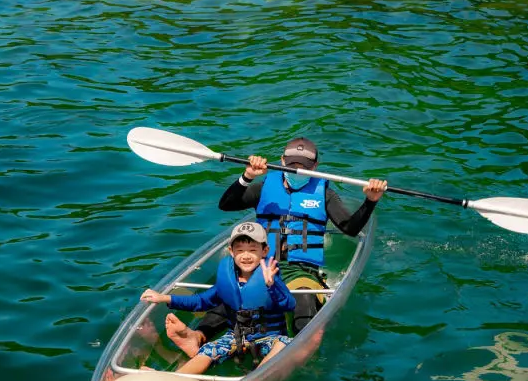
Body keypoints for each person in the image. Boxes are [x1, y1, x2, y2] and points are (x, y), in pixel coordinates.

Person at [166, 137, 387, 357]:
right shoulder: (264, 187)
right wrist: (247, 176)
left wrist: (370, 201)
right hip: (261, 266)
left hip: (300, 269)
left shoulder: (325, 193)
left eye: (304, 166)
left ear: (315, 167)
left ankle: (298, 349)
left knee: (304, 297)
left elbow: (349, 228)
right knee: (234, 292)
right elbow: (226, 204)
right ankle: (198, 336)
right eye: (292, 165)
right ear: (282, 161)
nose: (298, 170)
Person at [140, 222, 296, 375]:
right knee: (207, 351)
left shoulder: (270, 276)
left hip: (270, 337)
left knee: (285, 343)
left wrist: (272, 285)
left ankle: (257, 379)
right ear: (231, 251)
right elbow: (201, 301)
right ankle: (170, 378)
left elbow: (289, 304)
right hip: (236, 337)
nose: (246, 255)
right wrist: (165, 298)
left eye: (253, 250)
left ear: (265, 251)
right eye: (240, 250)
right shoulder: (228, 280)